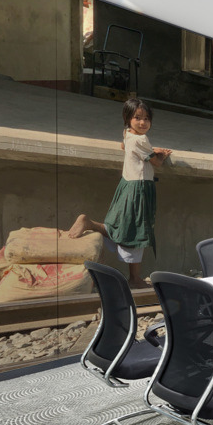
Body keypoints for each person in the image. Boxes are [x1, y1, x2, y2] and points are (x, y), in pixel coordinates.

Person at [68, 98, 172, 288]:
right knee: (137, 231)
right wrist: (162, 154)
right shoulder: (141, 139)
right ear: (128, 118)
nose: (143, 122)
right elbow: (156, 163)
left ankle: (90, 223)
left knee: (123, 228)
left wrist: (152, 150)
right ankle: (134, 278)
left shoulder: (127, 134)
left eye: (147, 118)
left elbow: (125, 146)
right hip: (139, 189)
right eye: (137, 118)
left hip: (127, 186)